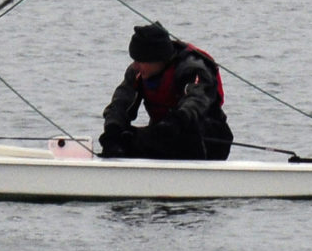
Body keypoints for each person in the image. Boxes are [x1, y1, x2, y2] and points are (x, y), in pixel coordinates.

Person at [99, 23, 232, 161]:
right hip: (163, 134)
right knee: (125, 138)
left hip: (207, 137)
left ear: (158, 58)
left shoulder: (192, 69)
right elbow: (120, 102)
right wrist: (112, 129)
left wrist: (175, 121)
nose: (135, 66)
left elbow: (195, 101)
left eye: (140, 60)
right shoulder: (137, 73)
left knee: (175, 138)